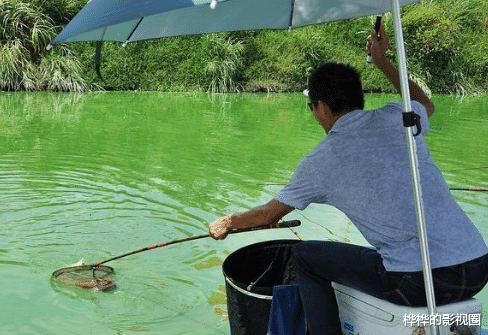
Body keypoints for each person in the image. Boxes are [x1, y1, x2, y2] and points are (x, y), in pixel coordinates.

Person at [208, 25, 488, 334]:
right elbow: (426, 102)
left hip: (418, 282)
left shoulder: (321, 160)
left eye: (312, 107)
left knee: (304, 256)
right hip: (477, 266)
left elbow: (266, 214)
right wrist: (382, 62)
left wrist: (228, 223)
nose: (314, 115)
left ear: (323, 108)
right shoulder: (399, 118)